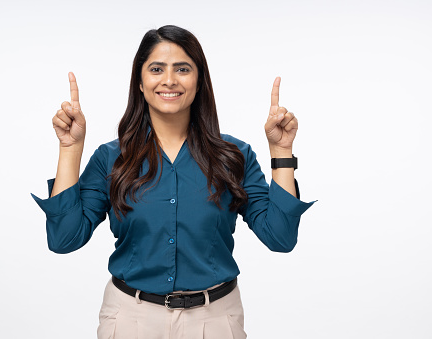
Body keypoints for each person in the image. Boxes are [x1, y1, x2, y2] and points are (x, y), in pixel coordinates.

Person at [31, 25, 315, 339]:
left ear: (199, 81)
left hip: (215, 321)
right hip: (130, 320)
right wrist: (70, 149)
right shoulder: (110, 158)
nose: (169, 80)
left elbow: (280, 237)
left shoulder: (235, 155)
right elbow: (64, 238)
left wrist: (281, 151)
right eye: (156, 69)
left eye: (182, 69)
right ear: (140, 82)